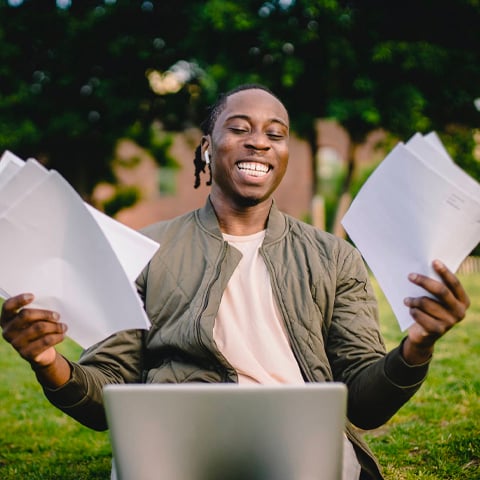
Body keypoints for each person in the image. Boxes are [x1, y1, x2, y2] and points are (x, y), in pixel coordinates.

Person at [0, 84, 470, 480]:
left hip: (301, 454)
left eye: (275, 134)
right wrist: (46, 361)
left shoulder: (335, 258)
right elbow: (106, 398)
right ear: (207, 147)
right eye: (239, 128)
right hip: (175, 449)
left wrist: (418, 346)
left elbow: (366, 404)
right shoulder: (142, 253)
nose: (259, 142)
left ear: (284, 154)